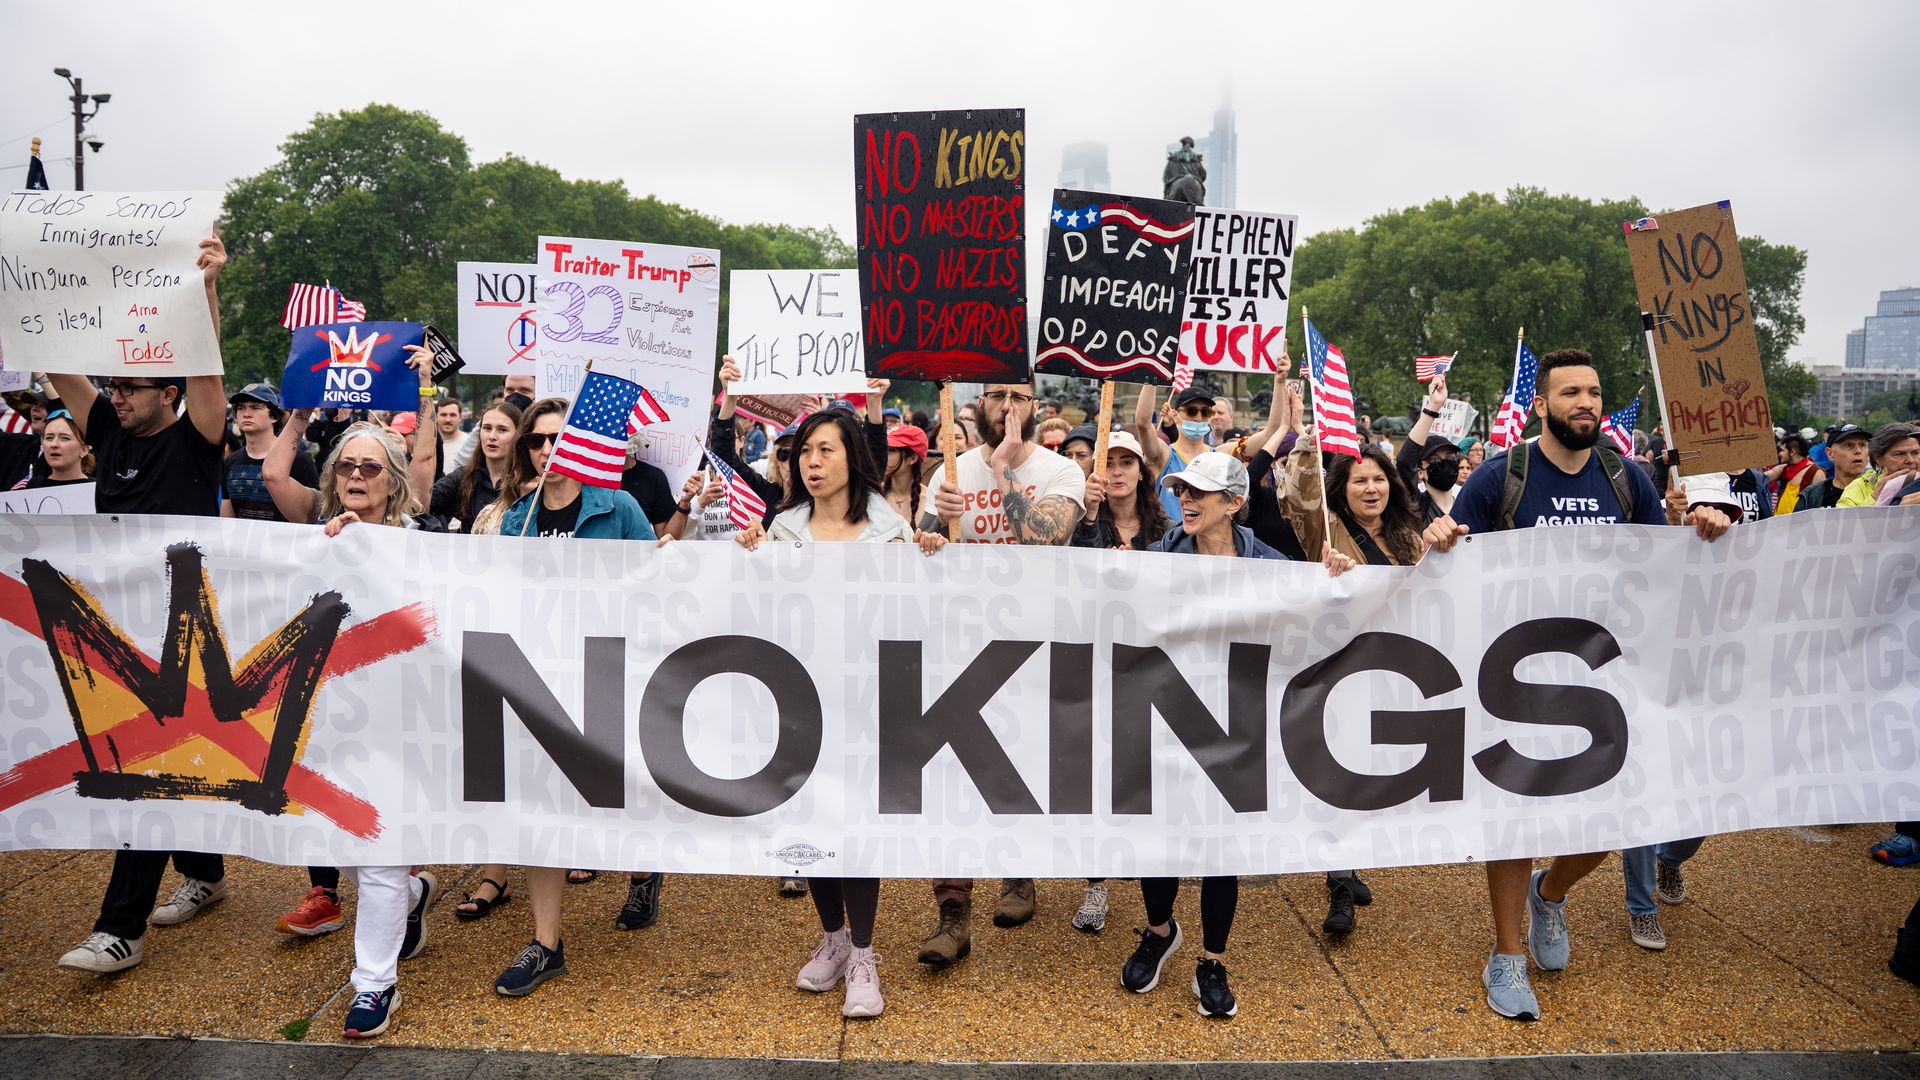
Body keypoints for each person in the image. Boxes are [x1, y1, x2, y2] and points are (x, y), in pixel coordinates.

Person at [1420, 348, 1730, 1022]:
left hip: (1603, 673)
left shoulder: (1626, 477)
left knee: (1615, 815)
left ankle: (1550, 895)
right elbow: (1443, 555)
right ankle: (1506, 954)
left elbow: (1665, 564)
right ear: (1541, 405)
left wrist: (1702, 531)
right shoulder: (1504, 476)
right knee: (1511, 818)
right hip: (1512, 673)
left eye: (1593, 392)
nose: (1585, 403)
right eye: (1570, 393)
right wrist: (1437, 534)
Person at [49, 231, 233, 976]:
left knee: (145, 770)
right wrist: (25, 291)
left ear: (170, 394)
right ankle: (208, 872)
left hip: (183, 633)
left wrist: (209, 290)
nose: (115, 398)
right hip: (117, 629)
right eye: (114, 387)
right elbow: (59, 365)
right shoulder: (105, 428)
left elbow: (208, 369)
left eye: (130, 389)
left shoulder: (197, 437)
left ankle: (119, 927)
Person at [1119, 451, 1348, 1019]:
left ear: (1235, 503)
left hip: (1235, 722)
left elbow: (1314, 615)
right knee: (1160, 835)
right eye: (1181, 491)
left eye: (1200, 492)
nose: (1186, 501)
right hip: (1169, 716)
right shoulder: (1157, 557)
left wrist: (1338, 579)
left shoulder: (1269, 564)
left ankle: (1211, 959)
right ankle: (1159, 930)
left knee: (1220, 845)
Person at [736, 407, 946, 1017]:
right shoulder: (782, 529)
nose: (812, 462)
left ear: (853, 457)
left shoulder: (889, 531)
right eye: (805, 452)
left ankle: (863, 954)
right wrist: (749, 556)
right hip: (801, 700)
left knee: (856, 828)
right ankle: (831, 939)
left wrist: (930, 552)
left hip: (865, 700)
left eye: (825, 450)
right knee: (813, 824)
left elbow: (918, 611)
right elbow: (758, 610)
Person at [489, 397, 663, 997]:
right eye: (537, 441)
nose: (547, 449)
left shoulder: (620, 508)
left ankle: (643, 871)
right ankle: (547, 943)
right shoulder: (517, 520)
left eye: (558, 438)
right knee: (542, 806)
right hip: (542, 677)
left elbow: (655, 586)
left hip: (612, 672)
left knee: (622, 793)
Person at [917, 379, 1085, 966]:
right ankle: (952, 912)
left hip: (1033, 642)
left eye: (1018, 396)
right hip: (959, 640)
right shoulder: (951, 471)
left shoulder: (1060, 471)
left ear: (1035, 407)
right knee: (949, 774)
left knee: (1017, 763)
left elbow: (1047, 536)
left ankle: (1017, 871)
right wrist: (934, 527)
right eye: (996, 396)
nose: (1007, 407)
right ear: (980, 405)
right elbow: (922, 552)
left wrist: (1008, 468)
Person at [304, 345, 444, 1038]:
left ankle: (374, 986)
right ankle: (414, 896)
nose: (357, 476)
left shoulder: (424, 543)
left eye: (370, 467)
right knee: (358, 856)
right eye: (346, 466)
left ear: (392, 481)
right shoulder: (312, 543)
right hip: (334, 722)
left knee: (380, 851)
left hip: (403, 722)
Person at [221, 383, 319, 523]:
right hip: (240, 544)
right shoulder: (230, 461)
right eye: (241, 408)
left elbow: (314, 513)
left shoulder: (299, 460)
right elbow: (226, 519)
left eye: (255, 408)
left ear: (273, 416)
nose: (246, 414)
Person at [422, 400, 522, 533]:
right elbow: (422, 504)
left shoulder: (526, 482)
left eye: (502, 430)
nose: (492, 436)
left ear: (518, 435)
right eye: (486, 428)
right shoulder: (464, 477)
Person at [1133, 385, 1217, 525]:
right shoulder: (1164, 455)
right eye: (1191, 411)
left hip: (1206, 544)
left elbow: (1266, 436)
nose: (1198, 417)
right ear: (1175, 415)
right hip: (1169, 543)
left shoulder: (1219, 456)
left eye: (1205, 412)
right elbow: (1143, 423)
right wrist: (1153, 374)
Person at [1074, 432, 1169, 551]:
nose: (1117, 472)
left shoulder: (1167, 530)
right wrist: (1090, 514)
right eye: (1107, 464)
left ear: (1141, 472)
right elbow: (1079, 562)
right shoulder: (1077, 522)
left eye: (1126, 463)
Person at [1394, 374, 1463, 523]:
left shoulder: (1468, 507)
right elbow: (1404, 463)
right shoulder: (1416, 507)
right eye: (1434, 460)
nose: (1445, 463)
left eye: (1450, 458)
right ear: (1420, 472)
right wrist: (1434, 406)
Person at [1836, 422, 1920, 509]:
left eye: (1915, 453)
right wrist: (1876, 499)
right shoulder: (1858, 488)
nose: (1910, 460)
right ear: (1878, 459)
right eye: (1899, 454)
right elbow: (1845, 521)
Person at [1793, 423, 1870, 512]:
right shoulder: (1811, 496)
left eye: (1862, 445)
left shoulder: (1882, 491)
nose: (1858, 451)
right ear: (1830, 453)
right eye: (1848, 445)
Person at [880, 422, 928, 526]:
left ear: (912, 459)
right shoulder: (874, 494)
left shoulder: (930, 500)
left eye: (891, 450)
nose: (883, 455)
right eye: (883, 449)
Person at [28, 410, 92, 488]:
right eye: (49, 438)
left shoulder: (97, 489)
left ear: (84, 450)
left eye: (64, 438)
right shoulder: (32, 486)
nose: (54, 444)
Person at [433, 396, 468, 467]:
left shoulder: (469, 444)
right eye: (443, 415)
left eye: (453, 415)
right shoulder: (427, 443)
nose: (448, 420)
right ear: (435, 417)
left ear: (460, 417)